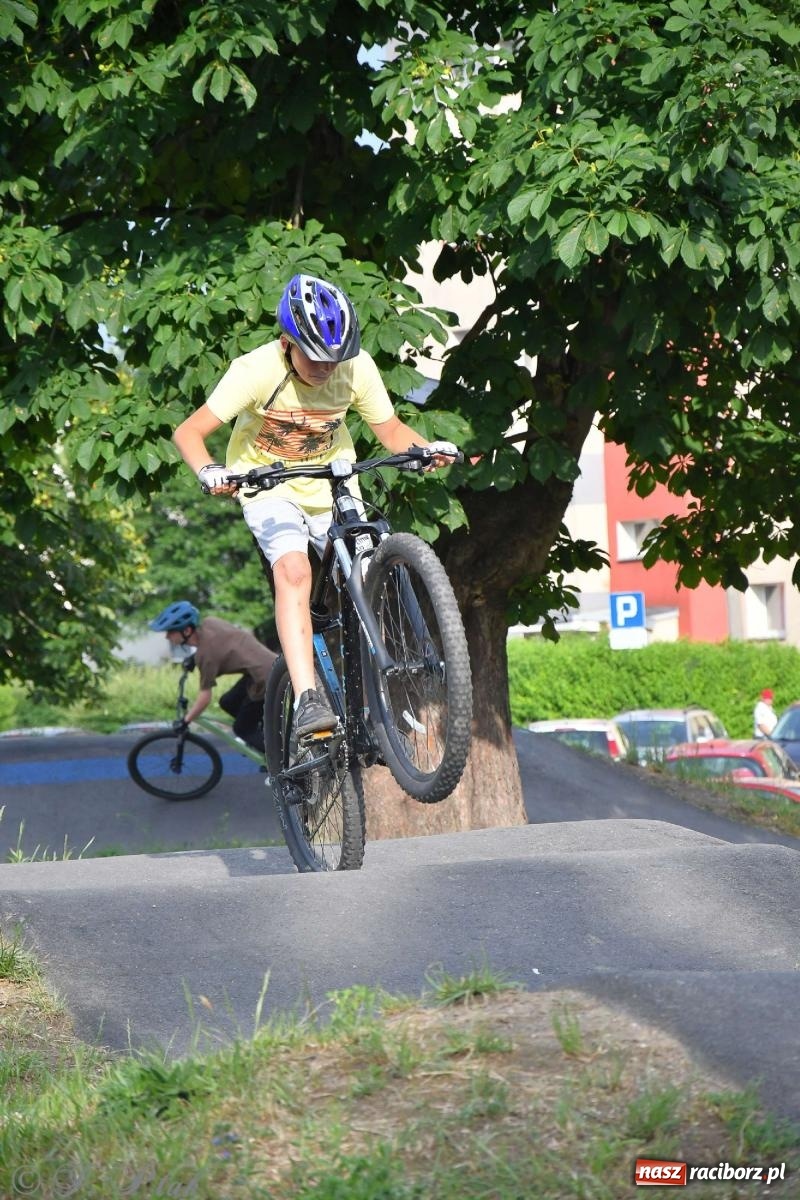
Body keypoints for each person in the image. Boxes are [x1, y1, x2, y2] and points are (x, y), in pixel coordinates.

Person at [171, 272, 458, 739]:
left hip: (333, 482)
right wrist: (209, 472)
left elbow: (391, 432)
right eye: (316, 359)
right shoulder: (254, 370)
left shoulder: (356, 368)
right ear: (288, 343)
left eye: (336, 359)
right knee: (294, 572)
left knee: (368, 572)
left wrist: (424, 448)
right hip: (268, 485)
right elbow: (189, 432)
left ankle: (384, 688)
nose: (328, 369)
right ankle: (308, 698)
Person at [149, 600, 277, 752]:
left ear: (187, 631)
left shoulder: (206, 657)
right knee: (227, 702)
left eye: (171, 632)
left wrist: (186, 721)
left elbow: (205, 697)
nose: (167, 637)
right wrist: (194, 658)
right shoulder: (211, 622)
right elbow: (219, 643)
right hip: (267, 667)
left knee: (242, 729)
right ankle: (266, 733)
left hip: (265, 680)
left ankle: (282, 762)